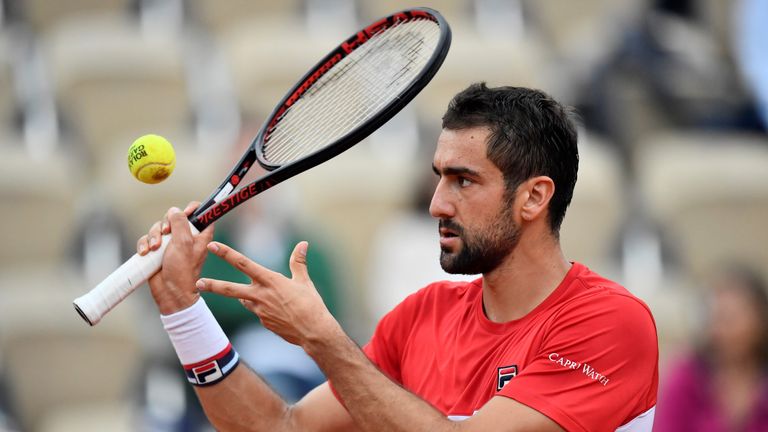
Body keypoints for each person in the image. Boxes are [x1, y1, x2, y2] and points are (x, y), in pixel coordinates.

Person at [137, 83, 659, 431]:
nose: (437, 204)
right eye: (439, 178)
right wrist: (182, 309)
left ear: (534, 198)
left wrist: (323, 340)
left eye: (463, 181)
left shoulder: (609, 323)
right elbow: (279, 426)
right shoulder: (420, 317)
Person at [654, 266, 768, 431]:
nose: (721, 329)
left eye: (731, 318)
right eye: (716, 318)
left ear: (760, 320)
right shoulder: (686, 377)